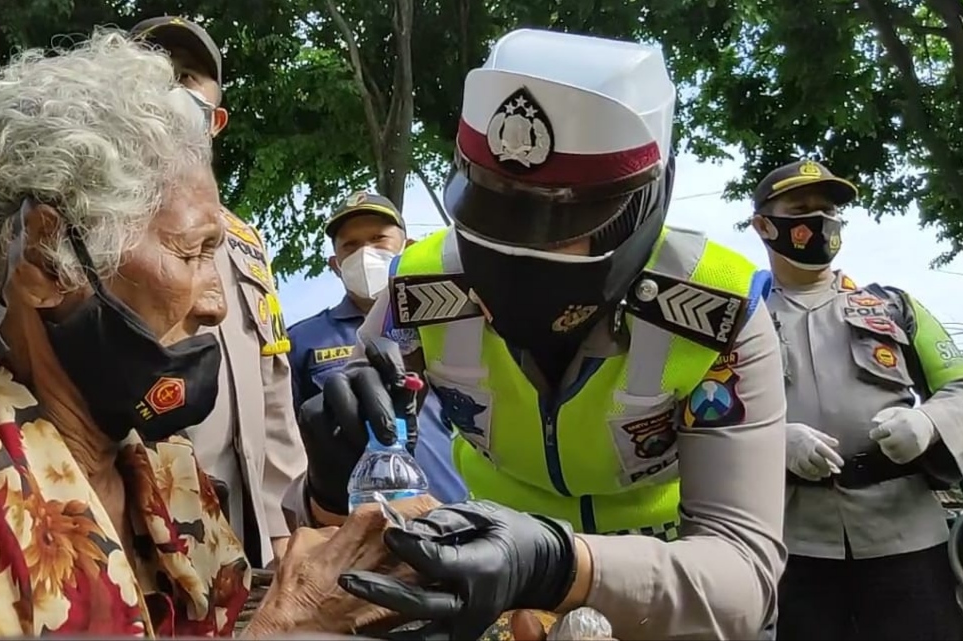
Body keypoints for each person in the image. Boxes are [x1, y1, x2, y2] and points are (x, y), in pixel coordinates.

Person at [0, 29, 390, 638]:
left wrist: (329, 502)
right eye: (192, 254)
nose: (215, 306)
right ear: (44, 260)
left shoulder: (163, 465)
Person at [298, 29, 788, 640]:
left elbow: (743, 575)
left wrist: (556, 564)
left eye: (559, 227)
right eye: (491, 214)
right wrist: (327, 479)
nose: (512, 253)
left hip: (670, 595)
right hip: (489, 593)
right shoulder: (422, 287)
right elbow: (338, 520)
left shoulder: (717, 311)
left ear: (641, 208)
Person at [750, 159, 963, 640]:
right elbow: (703, 420)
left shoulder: (893, 306)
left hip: (909, 540)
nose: (819, 222)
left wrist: (929, 424)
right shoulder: (739, 321)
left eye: (829, 212)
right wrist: (773, 441)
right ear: (763, 225)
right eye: (801, 209)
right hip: (795, 546)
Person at [131, 16, 307, 568]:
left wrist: (281, 528)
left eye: (186, 78)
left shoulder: (245, 242)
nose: (170, 91)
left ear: (216, 120)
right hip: (142, 527)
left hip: (251, 527)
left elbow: (273, 383)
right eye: (153, 75)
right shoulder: (102, 229)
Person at [288, 191, 467, 504]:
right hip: (359, 518)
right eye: (351, 245)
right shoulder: (303, 341)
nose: (365, 252)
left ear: (408, 248)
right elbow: (292, 444)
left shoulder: (446, 324)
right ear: (335, 264)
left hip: (455, 507)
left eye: (377, 239)